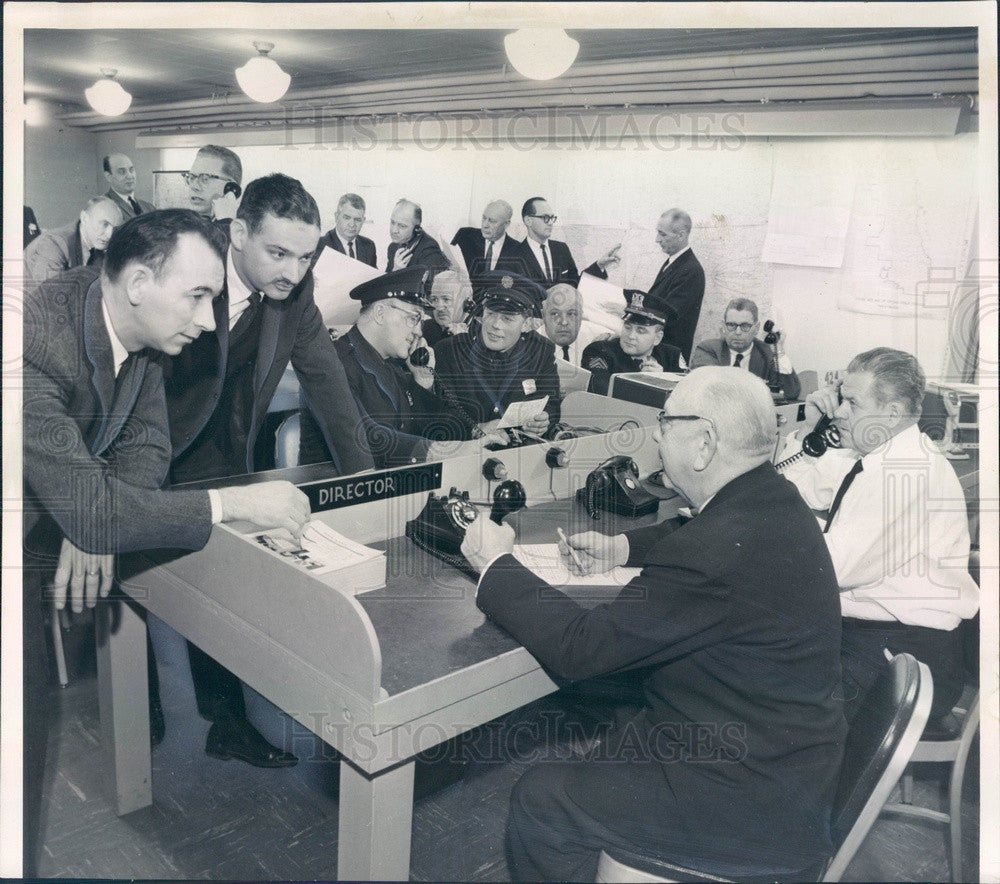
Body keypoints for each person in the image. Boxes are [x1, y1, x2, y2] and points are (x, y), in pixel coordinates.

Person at [460, 367, 846, 882]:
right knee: (616, 718)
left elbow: (583, 649)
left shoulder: (710, 552)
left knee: (541, 800)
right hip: (781, 765)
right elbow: (698, 529)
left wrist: (496, 566)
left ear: (705, 443)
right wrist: (622, 547)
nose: (657, 435)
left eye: (666, 422)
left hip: (746, 801)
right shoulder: (772, 500)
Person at [22, 209, 312, 876]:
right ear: (138, 284)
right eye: (199, 296)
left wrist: (92, 520)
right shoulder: (35, 340)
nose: (210, 322)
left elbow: (147, 445)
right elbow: (100, 499)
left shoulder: (143, 333)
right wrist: (233, 501)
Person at [165, 173, 375, 768]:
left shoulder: (293, 294)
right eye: (277, 253)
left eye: (306, 257)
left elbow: (331, 390)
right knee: (146, 584)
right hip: (150, 439)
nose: (293, 270)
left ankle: (225, 721)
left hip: (224, 450)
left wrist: (363, 488)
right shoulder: (181, 265)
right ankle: (147, 697)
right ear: (237, 233)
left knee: (226, 587)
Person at [780, 347, 980, 726]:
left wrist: (755, 544)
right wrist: (810, 431)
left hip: (903, 658)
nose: (838, 411)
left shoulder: (902, 473)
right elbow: (801, 489)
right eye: (841, 400)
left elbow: (832, 568)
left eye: (851, 402)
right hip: (877, 635)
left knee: (755, 689)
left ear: (891, 413)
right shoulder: (880, 455)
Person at [298, 267, 475, 467]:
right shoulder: (334, 365)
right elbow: (365, 434)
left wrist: (423, 383)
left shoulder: (393, 367)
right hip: (337, 489)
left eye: (420, 321)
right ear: (380, 313)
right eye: (413, 318)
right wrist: (441, 452)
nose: (418, 331)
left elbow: (426, 428)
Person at [434, 272, 560, 436]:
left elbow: (552, 403)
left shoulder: (541, 351)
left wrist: (543, 421)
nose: (495, 324)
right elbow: (440, 412)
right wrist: (475, 429)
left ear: (527, 324)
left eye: (507, 319)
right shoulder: (449, 351)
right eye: (491, 314)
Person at [594, 208, 704, 361]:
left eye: (662, 234)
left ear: (681, 235)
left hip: (665, 357)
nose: (657, 239)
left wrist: (625, 314)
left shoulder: (691, 271)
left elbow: (666, 316)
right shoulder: (674, 262)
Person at [690, 297, 801, 400]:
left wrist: (779, 352)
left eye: (745, 326)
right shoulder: (708, 349)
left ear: (756, 328)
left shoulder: (766, 353)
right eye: (731, 325)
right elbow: (708, 388)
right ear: (723, 326)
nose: (738, 332)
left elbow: (791, 393)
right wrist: (758, 386)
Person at [581, 289, 686, 395]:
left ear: (657, 338)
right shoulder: (601, 351)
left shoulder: (672, 356)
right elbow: (601, 392)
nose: (631, 336)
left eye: (641, 331)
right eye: (627, 327)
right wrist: (644, 384)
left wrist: (663, 381)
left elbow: (687, 397)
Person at [508, 196, 619, 288]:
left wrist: (599, 265)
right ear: (528, 220)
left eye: (552, 218)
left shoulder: (561, 249)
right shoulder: (512, 256)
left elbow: (575, 284)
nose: (550, 223)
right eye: (545, 217)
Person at [24, 195, 123, 285]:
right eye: (104, 224)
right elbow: (51, 297)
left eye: (114, 228)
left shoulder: (99, 247)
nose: (109, 235)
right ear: (84, 218)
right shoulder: (54, 244)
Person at [450, 199, 522, 291]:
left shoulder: (518, 250)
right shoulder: (465, 236)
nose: (485, 225)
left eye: (492, 221)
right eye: (484, 218)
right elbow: (448, 265)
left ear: (506, 224)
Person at [385, 198, 450, 294]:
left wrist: (398, 274)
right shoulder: (393, 247)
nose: (394, 230)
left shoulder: (430, 250)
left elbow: (427, 293)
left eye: (402, 226)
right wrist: (395, 270)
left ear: (417, 228)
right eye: (392, 222)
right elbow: (384, 285)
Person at [536, 282, 609, 364]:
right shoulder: (528, 350)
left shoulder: (594, 338)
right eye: (555, 314)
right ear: (543, 315)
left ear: (581, 316)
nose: (564, 322)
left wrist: (612, 339)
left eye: (571, 314)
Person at [313, 192, 377, 267]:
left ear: (363, 220)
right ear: (336, 217)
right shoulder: (319, 245)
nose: (352, 224)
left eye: (357, 219)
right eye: (347, 218)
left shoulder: (369, 246)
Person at [183, 144, 243, 222]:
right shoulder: (176, 227)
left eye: (205, 179)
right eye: (192, 177)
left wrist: (226, 221)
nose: (194, 187)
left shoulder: (246, 231)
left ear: (232, 188)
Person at [421, 270, 470, 347]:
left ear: (467, 303)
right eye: (434, 299)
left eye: (446, 299)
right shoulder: (425, 329)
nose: (439, 307)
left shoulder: (480, 336)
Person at [103, 152, 154, 218]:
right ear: (108, 176)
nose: (130, 176)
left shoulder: (149, 208)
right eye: (122, 171)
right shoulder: (103, 208)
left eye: (131, 170)